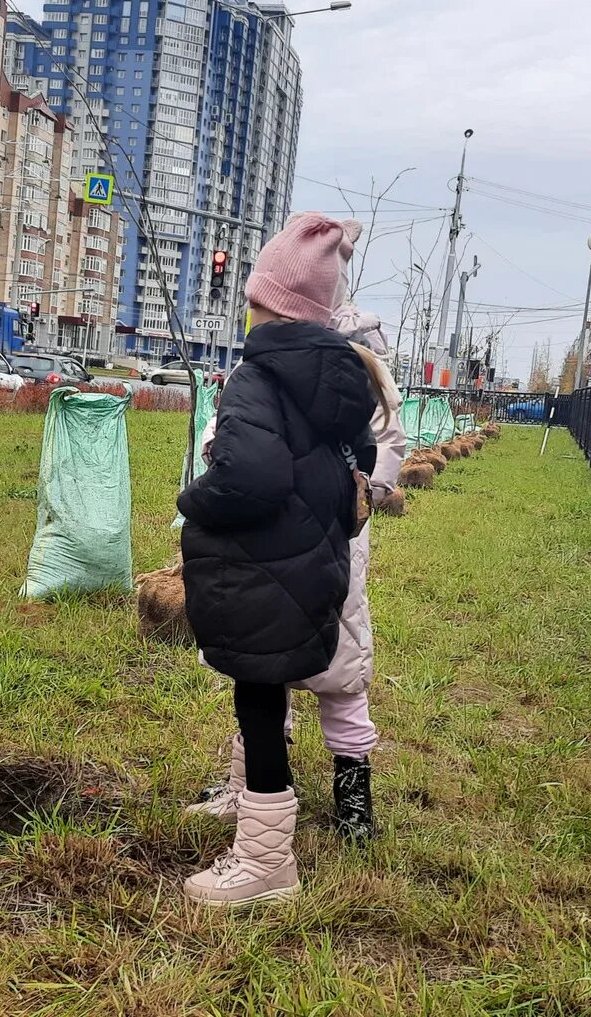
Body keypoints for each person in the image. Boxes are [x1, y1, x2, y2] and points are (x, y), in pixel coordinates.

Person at [176, 213, 384, 907]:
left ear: (265, 302)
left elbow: (253, 477)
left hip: (262, 570)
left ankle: (266, 863)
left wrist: (196, 499)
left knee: (259, 698)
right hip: (309, 566)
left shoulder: (258, 378)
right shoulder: (336, 379)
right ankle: (246, 805)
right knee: (261, 693)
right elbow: (362, 462)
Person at [187, 299, 403, 844]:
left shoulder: (291, 370)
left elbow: (231, 446)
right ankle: (309, 797)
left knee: (296, 667)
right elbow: (383, 456)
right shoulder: (354, 376)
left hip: (305, 537)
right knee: (314, 667)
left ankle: (337, 800)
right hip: (335, 537)